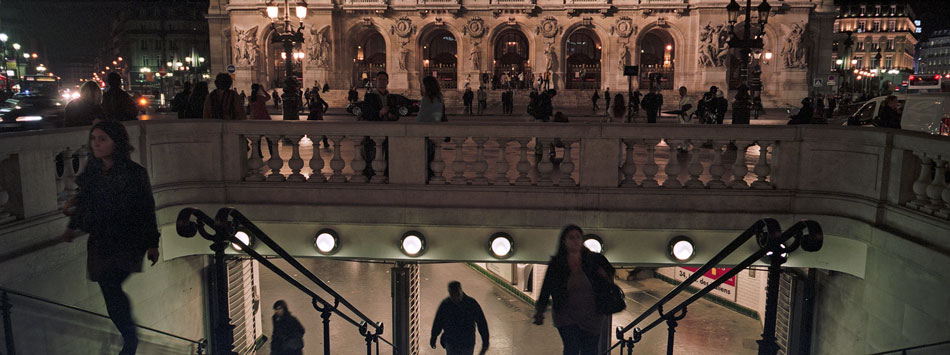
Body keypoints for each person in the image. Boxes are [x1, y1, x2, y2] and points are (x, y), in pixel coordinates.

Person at [61, 121, 160, 355]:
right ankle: (129, 336)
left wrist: (152, 243)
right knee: (109, 289)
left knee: (111, 284)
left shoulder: (133, 173)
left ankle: (130, 339)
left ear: (116, 142)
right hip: (101, 239)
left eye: (103, 138)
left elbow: (146, 207)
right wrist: (71, 227)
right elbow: (85, 200)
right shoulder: (93, 171)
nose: (96, 143)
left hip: (127, 239)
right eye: (94, 138)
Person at [533, 225, 616, 355]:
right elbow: (547, 287)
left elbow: (610, 271)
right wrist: (540, 311)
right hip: (566, 316)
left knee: (589, 350)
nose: (576, 240)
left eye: (578, 237)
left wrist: (604, 274)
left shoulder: (594, 259)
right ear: (564, 241)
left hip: (592, 316)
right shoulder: (557, 263)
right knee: (571, 348)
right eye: (571, 237)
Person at [430, 281, 490, 355]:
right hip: (459, 342)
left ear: (461, 291)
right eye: (453, 295)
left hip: (461, 343)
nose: (455, 298)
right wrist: (434, 336)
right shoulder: (470, 303)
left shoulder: (448, 304)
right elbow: (438, 322)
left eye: (457, 294)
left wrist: (485, 342)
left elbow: (482, 323)